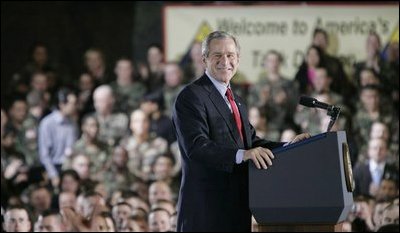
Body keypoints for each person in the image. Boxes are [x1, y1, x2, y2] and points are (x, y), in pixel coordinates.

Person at [172, 31, 310, 232]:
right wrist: (242, 155)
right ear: (204, 60)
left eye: (230, 55)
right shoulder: (191, 96)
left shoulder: (236, 100)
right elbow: (196, 146)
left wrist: (290, 147)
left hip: (236, 210)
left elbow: (251, 143)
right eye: (217, 55)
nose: (224, 61)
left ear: (238, 59)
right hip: (206, 213)